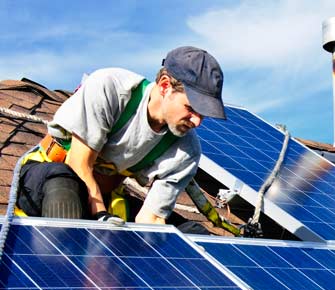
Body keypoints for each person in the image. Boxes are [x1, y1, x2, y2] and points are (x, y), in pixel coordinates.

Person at [17, 46, 225, 225]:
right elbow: (77, 164)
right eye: (191, 108)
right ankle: (62, 267)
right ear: (164, 86)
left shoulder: (186, 150)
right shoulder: (112, 88)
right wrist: (100, 218)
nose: (197, 122)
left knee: (185, 235)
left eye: (203, 114)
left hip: (107, 199)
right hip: (46, 181)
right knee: (64, 187)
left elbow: (151, 219)